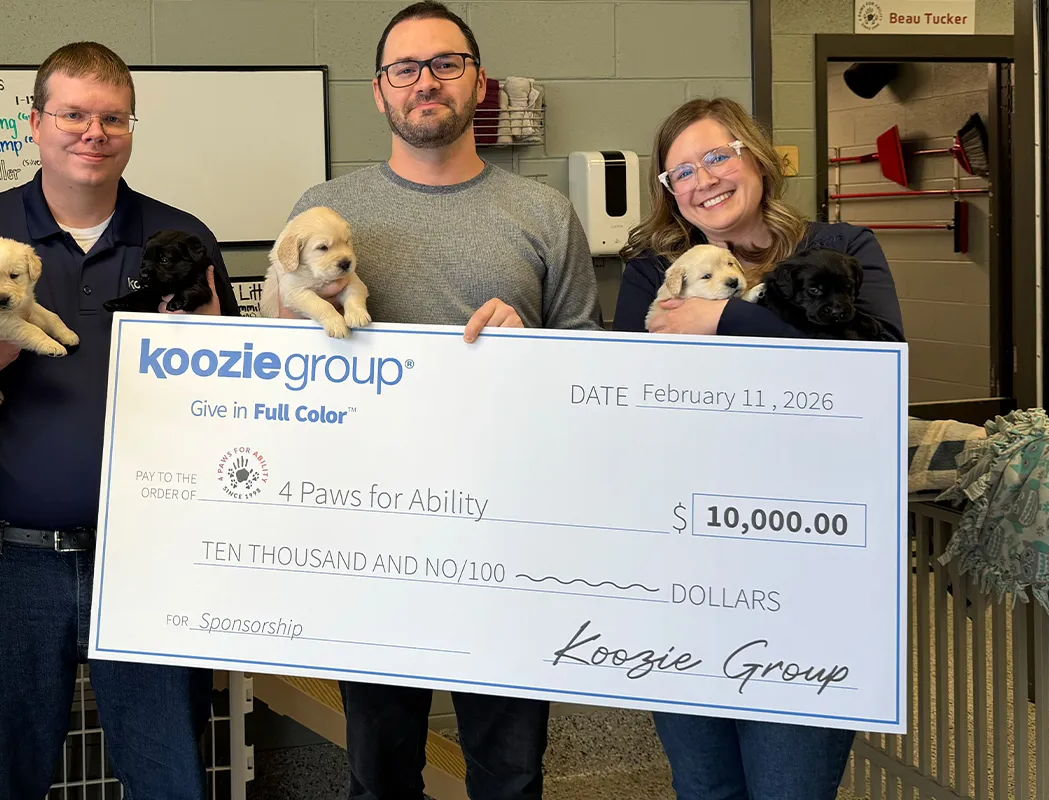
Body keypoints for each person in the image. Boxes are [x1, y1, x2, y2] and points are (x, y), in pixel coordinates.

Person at [271, 3, 603, 797]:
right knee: (380, 774)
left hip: (507, 539)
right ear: (379, 92)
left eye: (447, 64)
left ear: (478, 82)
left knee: (511, 772)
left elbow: (589, 371)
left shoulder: (545, 214)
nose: (427, 83)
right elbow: (273, 364)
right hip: (369, 535)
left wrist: (533, 344)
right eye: (406, 69)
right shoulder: (324, 208)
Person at [0, 41, 237, 800]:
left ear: (131, 128)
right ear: (35, 123)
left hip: (148, 558)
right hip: (2, 562)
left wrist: (213, 351)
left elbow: (231, 402)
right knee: (2, 778)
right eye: (73, 115)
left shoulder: (180, 238)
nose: (93, 133)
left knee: (172, 778)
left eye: (112, 117)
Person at [614, 97, 904, 799]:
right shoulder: (654, 274)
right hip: (685, 565)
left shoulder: (842, 248)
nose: (702, 179)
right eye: (680, 171)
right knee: (705, 785)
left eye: (717, 156)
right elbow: (629, 405)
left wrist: (725, 318)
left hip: (809, 565)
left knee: (789, 786)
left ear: (756, 157)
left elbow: (877, 365)